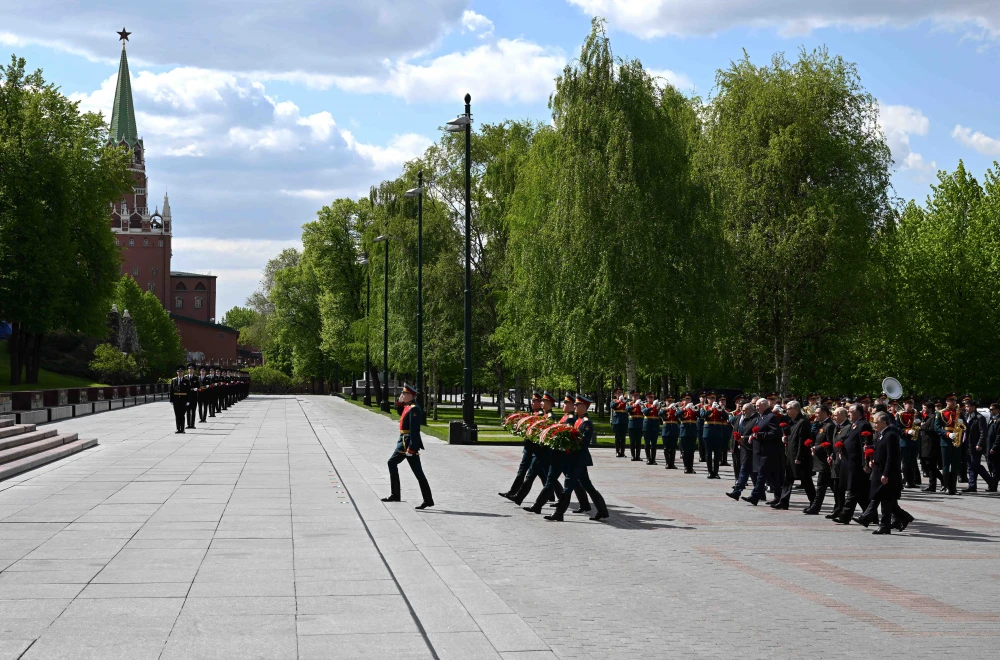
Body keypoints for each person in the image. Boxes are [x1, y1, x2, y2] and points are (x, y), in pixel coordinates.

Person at [544, 395, 609, 522]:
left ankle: (559, 513)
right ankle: (602, 510)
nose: (575, 406)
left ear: (584, 407)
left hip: (578, 460)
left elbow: (584, 443)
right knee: (588, 486)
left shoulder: (586, 423)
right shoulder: (578, 420)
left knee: (568, 486)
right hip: (574, 459)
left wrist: (570, 444)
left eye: (577, 405)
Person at [855, 412, 913, 534]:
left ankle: (881, 523)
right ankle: (900, 519)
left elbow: (891, 457)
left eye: (876, 422)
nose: (874, 424)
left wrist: (886, 474)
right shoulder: (880, 434)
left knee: (884, 498)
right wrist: (872, 459)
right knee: (884, 499)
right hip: (878, 470)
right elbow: (880, 451)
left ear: (884, 422)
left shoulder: (890, 435)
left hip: (887, 473)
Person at [382, 383, 434, 509]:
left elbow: (415, 430)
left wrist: (411, 448)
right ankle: (397, 495)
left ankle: (425, 499)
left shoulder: (414, 409)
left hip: (408, 443)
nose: (402, 395)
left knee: (417, 472)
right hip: (403, 441)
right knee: (394, 464)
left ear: (410, 395)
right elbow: (401, 412)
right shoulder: (408, 406)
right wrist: (399, 402)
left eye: (404, 394)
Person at [832, 404, 872, 524]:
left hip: (856, 463)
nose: (848, 413)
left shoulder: (864, 424)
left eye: (850, 411)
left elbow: (864, 446)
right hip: (848, 462)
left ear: (858, 413)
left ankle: (845, 516)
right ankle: (871, 516)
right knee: (860, 493)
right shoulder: (854, 425)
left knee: (853, 491)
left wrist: (865, 463)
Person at [499, 392, 543, 500]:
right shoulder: (534, 413)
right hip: (529, 447)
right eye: (532, 401)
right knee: (527, 471)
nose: (532, 403)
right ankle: (513, 492)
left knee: (541, 474)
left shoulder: (541, 415)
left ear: (539, 402)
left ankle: (515, 493)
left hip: (535, 449)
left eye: (534, 401)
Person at [741, 398, 783, 505]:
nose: (756, 408)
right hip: (760, 451)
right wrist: (751, 436)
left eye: (758, 406)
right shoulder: (761, 417)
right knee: (772, 476)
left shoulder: (771, 417)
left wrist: (759, 435)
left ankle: (754, 496)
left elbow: (775, 434)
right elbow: (757, 431)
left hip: (769, 452)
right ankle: (779, 496)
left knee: (761, 475)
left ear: (764, 405)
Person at [775, 401, 815, 509]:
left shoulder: (803, 422)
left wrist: (799, 457)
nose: (786, 411)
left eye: (789, 409)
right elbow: (793, 438)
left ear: (796, 409)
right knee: (787, 479)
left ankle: (814, 502)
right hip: (790, 456)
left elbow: (802, 441)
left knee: (806, 480)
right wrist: (786, 438)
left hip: (799, 457)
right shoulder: (792, 422)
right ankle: (784, 502)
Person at [804, 405, 835, 515]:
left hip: (826, 460)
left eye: (818, 413)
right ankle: (839, 506)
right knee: (833, 486)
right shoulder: (821, 425)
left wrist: (816, 448)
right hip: (821, 459)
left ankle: (815, 507)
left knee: (821, 484)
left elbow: (830, 442)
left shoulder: (830, 425)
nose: (816, 415)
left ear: (825, 413)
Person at [962, 396, 998, 492]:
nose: (966, 408)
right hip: (967, 445)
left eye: (968, 406)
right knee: (971, 466)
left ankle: (991, 481)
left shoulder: (979, 417)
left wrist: (980, 444)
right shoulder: (966, 416)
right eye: (965, 406)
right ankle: (972, 486)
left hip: (975, 445)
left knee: (976, 465)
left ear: (973, 407)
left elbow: (983, 432)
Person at [727, 402, 758, 500]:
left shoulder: (755, 419)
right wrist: (732, 444)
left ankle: (737, 491)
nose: (742, 412)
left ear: (750, 410)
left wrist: (744, 438)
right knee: (752, 472)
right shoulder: (740, 417)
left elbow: (756, 434)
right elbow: (735, 432)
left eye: (744, 410)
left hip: (751, 448)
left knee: (744, 470)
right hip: (741, 447)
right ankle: (759, 493)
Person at [934, 393, 963, 495]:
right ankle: (946, 487)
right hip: (946, 441)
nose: (954, 402)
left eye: (955, 400)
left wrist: (962, 423)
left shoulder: (958, 412)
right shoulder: (941, 413)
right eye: (951, 400)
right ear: (946, 401)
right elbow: (936, 428)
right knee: (946, 465)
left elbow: (965, 426)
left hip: (957, 440)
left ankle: (953, 488)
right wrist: (947, 434)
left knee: (955, 465)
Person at [826, 407, 850, 520]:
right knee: (836, 487)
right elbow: (834, 442)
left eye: (835, 415)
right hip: (835, 460)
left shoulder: (848, 427)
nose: (833, 417)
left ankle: (840, 509)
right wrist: (831, 455)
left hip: (843, 461)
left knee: (841, 488)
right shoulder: (837, 426)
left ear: (842, 415)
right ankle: (838, 508)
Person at [700, 392, 727, 479]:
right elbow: (702, 415)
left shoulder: (720, 407)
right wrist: (711, 409)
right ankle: (709, 472)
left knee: (717, 453)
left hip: (718, 432)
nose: (712, 399)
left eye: (713, 398)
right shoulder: (704, 407)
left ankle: (716, 472)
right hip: (708, 432)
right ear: (707, 399)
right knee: (708, 454)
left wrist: (721, 409)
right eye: (710, 398)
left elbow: (726, 417)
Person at [896, 398, 921, 488]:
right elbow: (897, 428)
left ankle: (912, 481)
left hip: (914, 441)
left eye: (912, 403)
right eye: (908, 403)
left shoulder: (916, 414)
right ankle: (906, 480)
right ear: (904, 404)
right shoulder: (899, 415)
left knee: (913, 462)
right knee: (905, 462)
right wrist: (907, 432)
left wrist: (919, 423)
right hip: (904, 441)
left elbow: (920, 425)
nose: (910, 405)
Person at [679, 395, 699, 473]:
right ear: (683, 400)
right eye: (686, 399)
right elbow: (677, 415)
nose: (688, 400)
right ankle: (686, 467)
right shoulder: (680, 408)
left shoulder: (694, 408)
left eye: (689, 399)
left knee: (691, 451)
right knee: (684, 451)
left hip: (692, 431)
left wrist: (695, 410)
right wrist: (685, 408)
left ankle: (691, 467)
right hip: (684, 431)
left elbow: (700, 415)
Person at [659, 396, 680, 469]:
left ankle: (672, 463)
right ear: (665, 402)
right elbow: (660, 414)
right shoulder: (663, 409)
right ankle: (667, 463)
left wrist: (677, 407)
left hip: (674, 428)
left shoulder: (676, 409)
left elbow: (679, 415)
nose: (670, 402)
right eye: (668, 401)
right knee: (666, 448)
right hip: (666, 429)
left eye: (671, 401)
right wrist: (668, 408)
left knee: (673, 447)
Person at [169, 366, 191, 434]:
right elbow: (171, 391)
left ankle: (182, 429)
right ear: (177, 372)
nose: (180, 373)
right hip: (176, 399)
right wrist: (171, 400)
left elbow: (188, 391)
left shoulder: (186, 380)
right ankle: (178, 429)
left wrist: (188, 400)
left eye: (181, 372)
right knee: (177, 414)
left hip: (183, 399)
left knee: (182, 414)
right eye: (179, 372)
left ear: (183, 373)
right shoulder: (173, 380)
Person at [641, 392, 661, 465]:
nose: (651, 398)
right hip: (647, 425)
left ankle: (653, 459)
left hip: (655, 424)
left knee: (654, 443)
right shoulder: (644, 404)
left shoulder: (657, 405)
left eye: (652, 397)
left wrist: (659, 407)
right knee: (647, 443)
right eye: (650, 397)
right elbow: (645, 412)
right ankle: (648, 458)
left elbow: (660, 414)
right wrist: (652, 406)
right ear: (647, 398)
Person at [610, 388, 629, 458]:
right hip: (616, 421)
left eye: (620, 393)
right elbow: (612, 406)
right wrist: (619, 401)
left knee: (623, 437)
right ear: (615, 394)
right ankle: (617, 452)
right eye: (617, 393)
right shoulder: (613, 401)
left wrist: (624, 401)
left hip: (624, 421)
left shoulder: (625, 400)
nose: (619, 394)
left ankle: (623, 452)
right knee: (617, 437)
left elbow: (629, 407)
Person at [627, 390, 643, 461]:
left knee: (638, 441)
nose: (636, 397)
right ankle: (633, 456)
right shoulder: (629, 403)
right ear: (632, 397)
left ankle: (638, 456)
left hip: (639, 423)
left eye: (637, 395)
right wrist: (634, 405)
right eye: (635, 396)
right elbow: (627, 409)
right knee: (632, 441)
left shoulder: (642, 404)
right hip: (632, 423)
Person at [184, 363, 198, 429]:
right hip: (187, 397)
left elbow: (199, 386)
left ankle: (192, 424)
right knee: (188, 411)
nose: (191, 370)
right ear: (187, 370)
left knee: (193, 411)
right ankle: (188, 424)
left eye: (192, 369)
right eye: (189, 369)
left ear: (194, 370)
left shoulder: (196, 378)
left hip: (194, 397)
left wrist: (196, 388)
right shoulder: (185, 377)